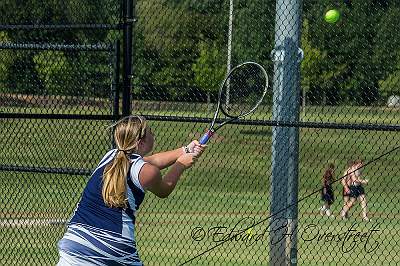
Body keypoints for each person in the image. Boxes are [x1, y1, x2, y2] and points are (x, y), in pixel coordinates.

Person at [56, 115, 206, 265]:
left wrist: (185, 150)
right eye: (150, 132)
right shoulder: (147, 172)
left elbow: (154, 160)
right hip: (115, 247)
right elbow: (163, 190)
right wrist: (180, 165)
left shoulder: (111, 156)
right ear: (140, 143)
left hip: (74, 241)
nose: (153, 134)